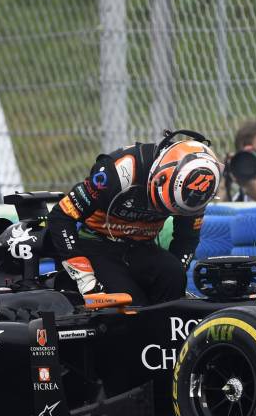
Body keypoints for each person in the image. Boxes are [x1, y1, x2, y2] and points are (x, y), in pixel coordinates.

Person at [47, 130, 222, 306]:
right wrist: (84, 277)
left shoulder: (199, 190)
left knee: (174, 276)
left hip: (142, 247)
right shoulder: (119, 171)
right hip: (97, 244)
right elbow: (61, 215)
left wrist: (176, 283)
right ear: (159, 177)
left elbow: (188, 238)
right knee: (131, 303)